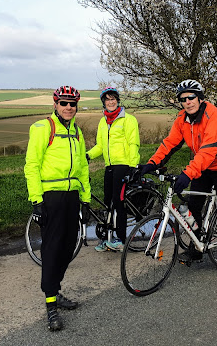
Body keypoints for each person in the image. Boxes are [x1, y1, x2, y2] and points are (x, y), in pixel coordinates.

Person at [140, 79, 217, 289]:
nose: (187, 102)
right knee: (194, 206)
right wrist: (152, 163)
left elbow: (208, 149)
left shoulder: (213, 115)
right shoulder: (182, 119)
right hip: (205, 166)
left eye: (191, 97)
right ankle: (197, 248)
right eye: (183, 99)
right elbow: (170, 143)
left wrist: (187, 173)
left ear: (200, 98)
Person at [24, 85, 91, 331]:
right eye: (64, 103)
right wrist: (37, 201)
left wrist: (86, 198)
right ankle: (50, 305)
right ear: (55, 104)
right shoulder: (43, 128)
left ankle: (55, 290)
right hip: (50, 197)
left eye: (72, 104)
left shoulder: (77, 132)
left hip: (72, 196)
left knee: (67, 248)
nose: (68, 108)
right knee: (52, 252)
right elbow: (31, 165)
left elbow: (83, 167)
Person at [86, 87, 140, 252]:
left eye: (113, 99)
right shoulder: (103, 122)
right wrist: (87, 155)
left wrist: (133, 166)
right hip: (109, 166)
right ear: (104, 102)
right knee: (107, 202)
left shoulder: (128, 120)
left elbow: (134, 144)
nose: (111, 102)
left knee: (118, 202)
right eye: (107, 99)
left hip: (123, 165)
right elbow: (100, 146)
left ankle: (121, 240)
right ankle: (107, 238)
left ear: (118, 100)